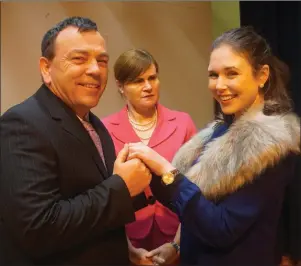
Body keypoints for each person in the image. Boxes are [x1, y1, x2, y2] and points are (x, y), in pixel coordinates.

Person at [124, 27, 300, 265]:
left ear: (262, 76)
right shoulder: (218, 132)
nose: (220, 85)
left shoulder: (271, 142)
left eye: (231, 73)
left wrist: (167, 172)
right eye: (214, 75)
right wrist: (177, 246)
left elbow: (221, 228)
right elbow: (190, 203)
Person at [0, 17, 152, 265]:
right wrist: (122, 187)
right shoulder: (21, 123)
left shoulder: (94, 124)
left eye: (102, 61)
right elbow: (37, 229)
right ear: (46, 69)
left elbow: (91, 209)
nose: (94, 70)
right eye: (79, 59)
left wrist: (124, 249)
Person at [102, 49, 197, 265]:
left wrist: (177, 245)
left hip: (178, 237)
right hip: (127, 243)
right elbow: (105, 196)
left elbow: (196, 188)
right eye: (138, 81)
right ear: (120, 86)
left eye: (152, 78)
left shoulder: (183, 123)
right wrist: (128, 250)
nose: (148, 86)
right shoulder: (105, 130)